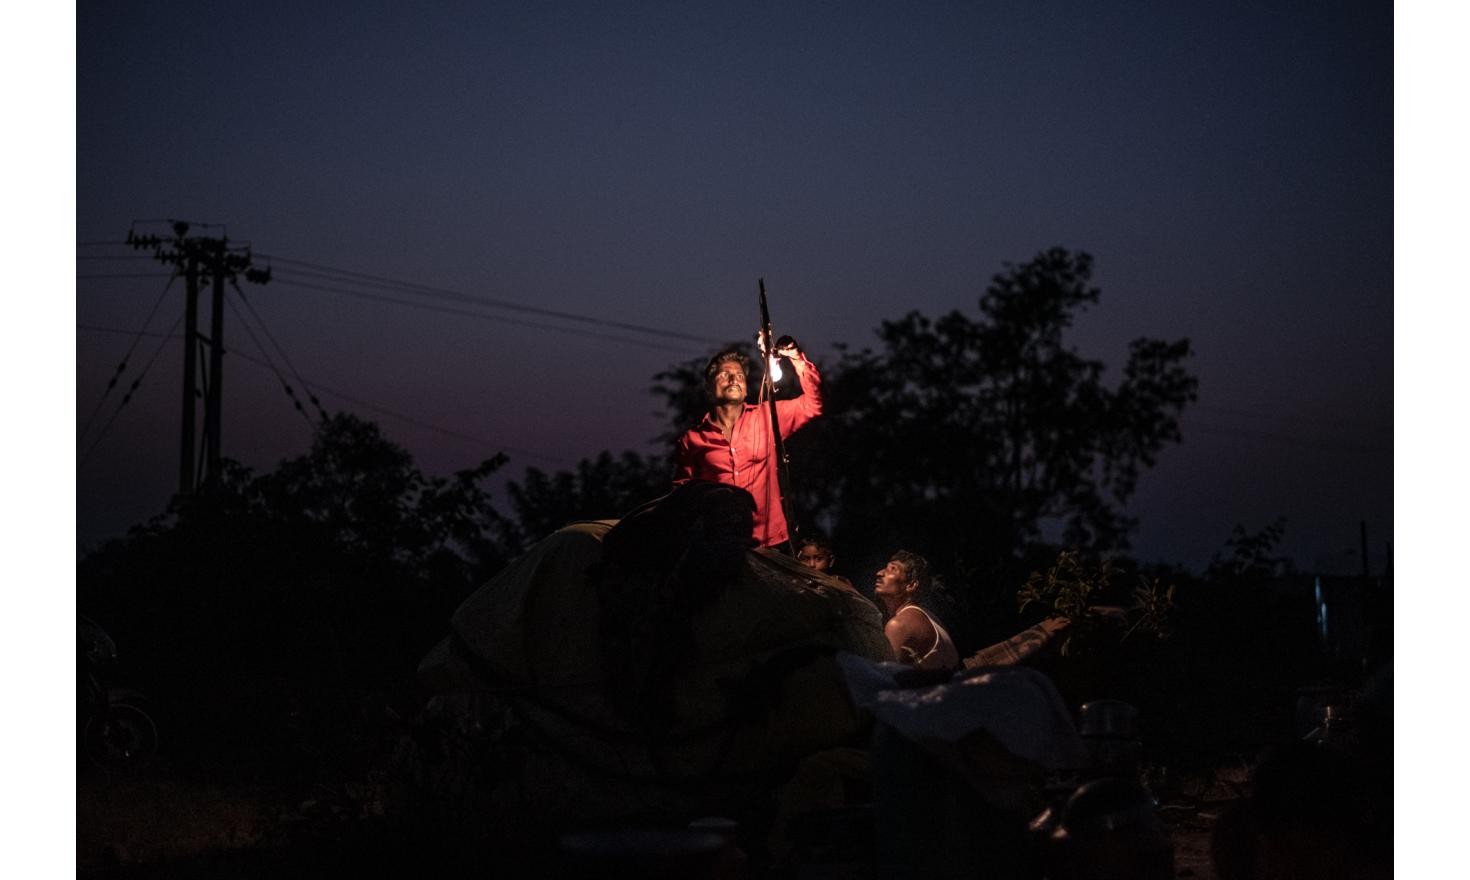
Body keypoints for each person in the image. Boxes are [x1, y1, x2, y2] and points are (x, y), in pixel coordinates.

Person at [673, 339, 821, 549]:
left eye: (740, 376)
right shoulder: (692, 440)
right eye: (725, 375)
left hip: (770, 543)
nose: (734, 379)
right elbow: (682, 494)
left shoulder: (768, 416)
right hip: (717, 543)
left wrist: (796, 358)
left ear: (745, 389)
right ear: (709, 387)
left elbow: (814, 404)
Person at [873, 550, 960, 673]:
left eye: (892, 569)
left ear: (911, 585)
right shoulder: (925, 615)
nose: (879, 573)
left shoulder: (899, 625)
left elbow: (883, 680)